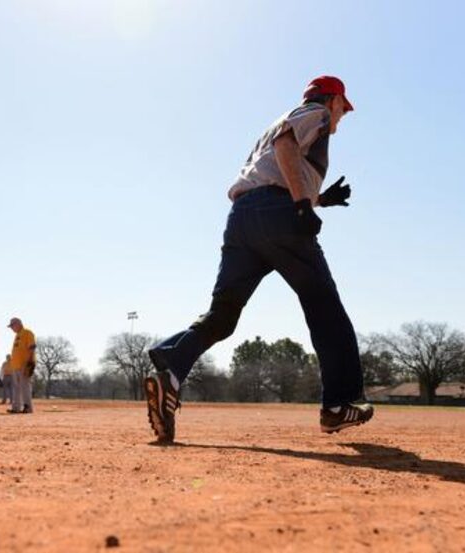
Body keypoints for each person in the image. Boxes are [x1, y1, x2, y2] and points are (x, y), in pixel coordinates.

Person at [144, 76, 373, 443]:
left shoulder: (277, 122)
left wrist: (319, 198)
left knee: (222, 316)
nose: (342, 116)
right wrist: (301, 204)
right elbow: (286, 147)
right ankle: (337, 404)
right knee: (325, 307)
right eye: (342, 108)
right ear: (331, 100)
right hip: (277, 214)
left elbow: (272, 168)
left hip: (242, 219)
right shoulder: (314, 113)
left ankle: (172, 367)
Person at [7, 317, 36, 414]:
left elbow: (32, 347)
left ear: (18, 323)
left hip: (24, 365)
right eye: (11, 326)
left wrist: (29, 363)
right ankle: (16, 408)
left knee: (25, 387)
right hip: (15, 366)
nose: (11, 328)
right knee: (16, 388)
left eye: (12, 325)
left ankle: (27, 407)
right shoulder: (17, 335)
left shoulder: (27, 332)